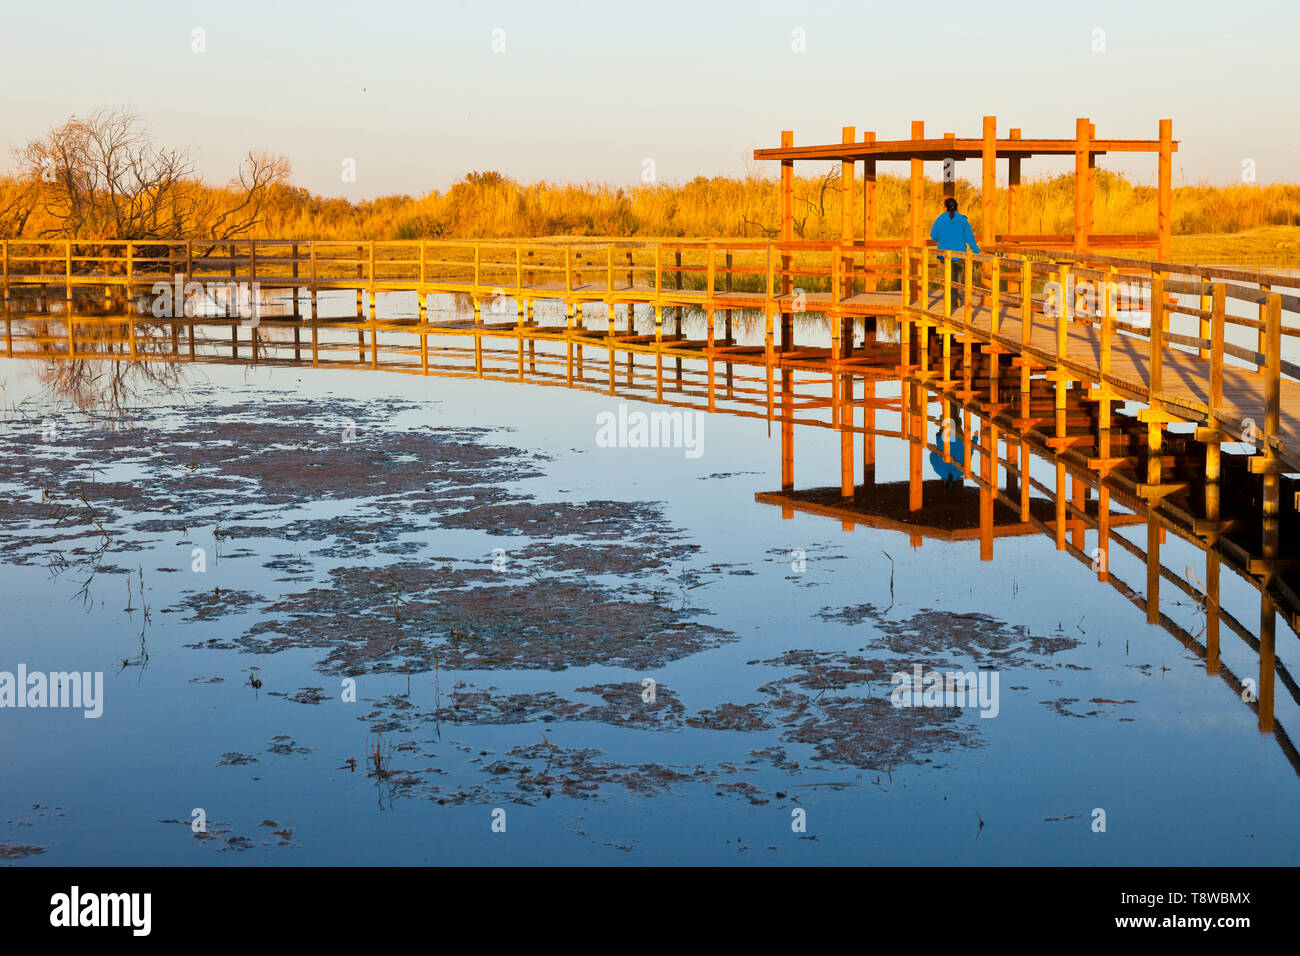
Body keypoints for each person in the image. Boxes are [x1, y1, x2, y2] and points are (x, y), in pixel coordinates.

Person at [930, 197, 980, 307]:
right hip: (960, 255)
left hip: (944, 255)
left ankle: (951, 304)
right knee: (958, 280)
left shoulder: (940, 219)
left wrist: (943, 237)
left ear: (945, 207)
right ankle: (957, 299)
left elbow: (933, 236)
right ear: (957, 207)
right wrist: (976, 251)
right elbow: (970, 238)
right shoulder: (963, 220)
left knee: (948, 279)